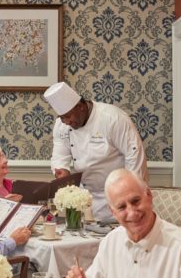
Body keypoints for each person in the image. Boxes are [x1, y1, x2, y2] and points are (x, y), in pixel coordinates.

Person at [65, 169, 181, 278]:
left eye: (135, 201)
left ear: (149, 196)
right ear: (112, 212)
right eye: (122, 207)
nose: (132, 213)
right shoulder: (110, 242)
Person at [44, 82, 148, 221]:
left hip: (119, 195)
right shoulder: (61, 125)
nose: (66, 122)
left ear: (80, 107)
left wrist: (132, 197)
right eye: (62, 117)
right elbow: (59, 156)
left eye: (68, 116)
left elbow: (134, 156)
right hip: (85, 198)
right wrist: (61, 171)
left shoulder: (112, 118)